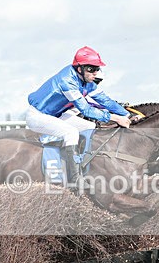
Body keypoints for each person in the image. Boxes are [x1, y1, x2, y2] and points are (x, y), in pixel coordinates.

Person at [26, 46, 131, 186]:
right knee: (71, 132)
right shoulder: (67, 81)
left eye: (97, 69)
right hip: (38, 116)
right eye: (91, 69)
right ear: (79, 68)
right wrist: (116, 118)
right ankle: (75, 179)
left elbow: (106, 101)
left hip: (57, 115)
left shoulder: (86, 81)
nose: (95, 73)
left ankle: (88, 167)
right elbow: (86, 110)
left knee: (91, 128)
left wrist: (127, 114)